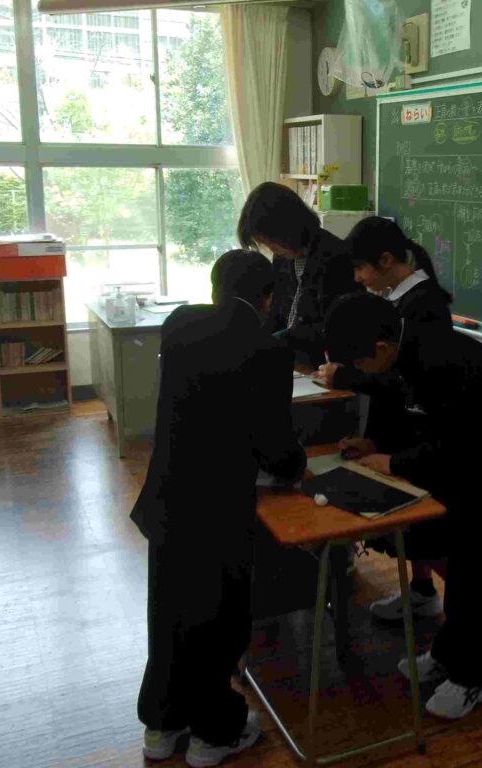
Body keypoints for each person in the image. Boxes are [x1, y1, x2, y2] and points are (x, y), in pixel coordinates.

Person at [323, 293, 482, 720]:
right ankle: (448, 654)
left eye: (360, 363)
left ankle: (474, 677)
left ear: (380, 347)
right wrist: (376, 444)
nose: (361, 372)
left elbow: (456, 443)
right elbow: (416, 418)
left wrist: (393, 462)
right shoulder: (407, 349)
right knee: (465, 569)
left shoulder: (441, 361)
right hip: (475, 468)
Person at [130, 250, 307, 767]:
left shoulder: (179, 324)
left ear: (214, 287)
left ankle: (162, 725)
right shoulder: (267, 350)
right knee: (217, 620)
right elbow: (275, 444)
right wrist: (297, 467)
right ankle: (215, 734)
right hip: (219, 507)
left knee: (169, 613)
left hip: (167, 498)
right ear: (268, 299)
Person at [311, 217, 454, 622]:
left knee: (425, 531)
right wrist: (375, 441)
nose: (357, 279)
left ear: (386, 260)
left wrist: (349, 377)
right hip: (403, 429)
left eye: (361, 268)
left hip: (422, 434)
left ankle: (468, 616)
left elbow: (402, 383)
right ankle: (422, 591)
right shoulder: (397, 300)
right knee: (412, 531)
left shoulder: (424, 307)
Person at [237, 181, 360, 368]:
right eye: (264, 244)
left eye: (271, 241)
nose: (271, 249)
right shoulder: (283, 258)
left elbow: (339, 326)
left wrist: (287, 337)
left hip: (326, 366)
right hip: (293, 362)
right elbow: (277, 310)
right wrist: (260, 342)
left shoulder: (336, 257)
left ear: (287, 228)